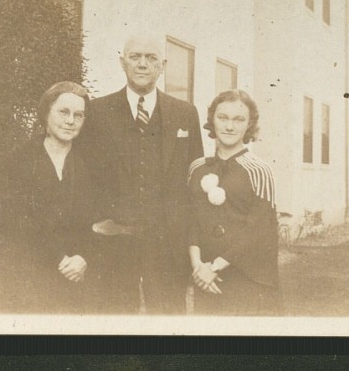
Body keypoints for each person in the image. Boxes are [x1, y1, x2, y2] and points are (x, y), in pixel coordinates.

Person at [82, 36, 204, 314]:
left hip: (167, 243)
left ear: (162, 66)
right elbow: (87, 176)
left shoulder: (185, 113)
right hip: (113, 240)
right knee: (113, 321)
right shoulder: (97, 111)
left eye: (151, 58)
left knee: (167, 321)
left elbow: (194, 179)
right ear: (122, 62)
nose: (142, 64)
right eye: (135, 56)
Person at [5, 81, 100, 314]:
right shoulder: (19, 162)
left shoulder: (93, 164)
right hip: (31, 277)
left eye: (79, 115)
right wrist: (59, 259)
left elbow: (101, 219)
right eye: (63, 112)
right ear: (46, 113)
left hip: (81, 277)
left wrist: (84, 257)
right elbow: (14, 220)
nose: (71, 121)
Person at [187, 89, 280, 315]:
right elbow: (191, 223)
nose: (229, 126)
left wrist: (215, 266)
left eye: (238, 119)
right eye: (223, 118)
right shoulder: (197, 168)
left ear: (249, 125)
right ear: (212, 120)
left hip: (246, 280)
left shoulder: (259, 170)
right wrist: (198, 266)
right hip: (205, 280)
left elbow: (260, 231)